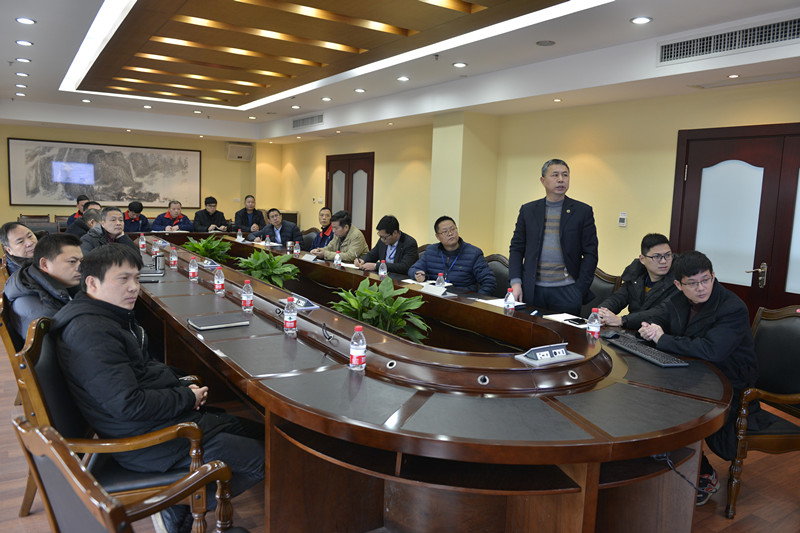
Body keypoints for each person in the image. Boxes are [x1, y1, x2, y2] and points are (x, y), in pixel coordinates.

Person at [51, 244, 264, 533]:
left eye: (136, 279)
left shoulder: (104, 317)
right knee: (268, 459)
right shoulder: (91, 333)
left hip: (153, 425)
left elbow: (140, 374)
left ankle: (179, 506)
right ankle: (179, 506)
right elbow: (128, 404)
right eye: (123, 279)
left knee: (259, 433)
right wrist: (185, 398)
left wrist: (181, 385)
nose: (133, 287)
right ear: (92, 282)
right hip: (149, 442)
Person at [638, 251, 777, 506]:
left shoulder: (732, 307)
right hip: (694, 372)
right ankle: (661, 458)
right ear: (678, 285)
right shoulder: (678, 299)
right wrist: (652, 326)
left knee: (673, 407)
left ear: (713, 276)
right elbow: (659, 316)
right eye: (692, 283)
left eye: (705, 280)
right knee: (647, 393)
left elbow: (712, 350)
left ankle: (702, 473)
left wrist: (663, 339)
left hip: (729, 381)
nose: (701, 288)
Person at [508, 158, 598, 315]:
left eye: (565, 175)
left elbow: (590, 253)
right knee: (531, 330)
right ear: (543, 180)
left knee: (565, 331)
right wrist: (516, 282)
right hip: (532, 290)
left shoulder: (582, 211)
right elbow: (516, 248)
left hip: (567, 291)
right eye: (555, 175)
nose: (561, 179)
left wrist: (579, 290)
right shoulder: (528, 210)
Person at [3, 233, 83, 343]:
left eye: (81, 261)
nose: (80, 268)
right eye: (72, 262)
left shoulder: (38, 279)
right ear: (44, 264)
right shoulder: (44, 314)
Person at [596, 233, 678, 328]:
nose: (663, 261)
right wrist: (601, 313)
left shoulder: (678, 281)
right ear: (642, 259)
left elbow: (661, 311)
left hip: (659, 332)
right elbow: (618, 298)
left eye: (668, 255)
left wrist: (622, 320)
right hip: (633, 330)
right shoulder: (636, 274)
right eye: (656, 257)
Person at [408, 216, 495, 295]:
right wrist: (417, 274)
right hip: (436, 296)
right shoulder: (431, 251)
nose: (450, 233)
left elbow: (489, 282)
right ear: (438, 236)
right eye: (445, 231)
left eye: (452, 229)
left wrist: (476, 300)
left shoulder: (473, 253)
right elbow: (413, 269)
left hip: (461, 299)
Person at [354, 215, 418, 274]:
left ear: (395, 233)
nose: (382, 240)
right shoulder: (382, 241)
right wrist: (362, 260)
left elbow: (404, 267)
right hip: (383, 276)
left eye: (384, 237)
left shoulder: (409, 243)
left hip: (400, 278)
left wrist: (377, 266)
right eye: (380, 236)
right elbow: (372, 255)